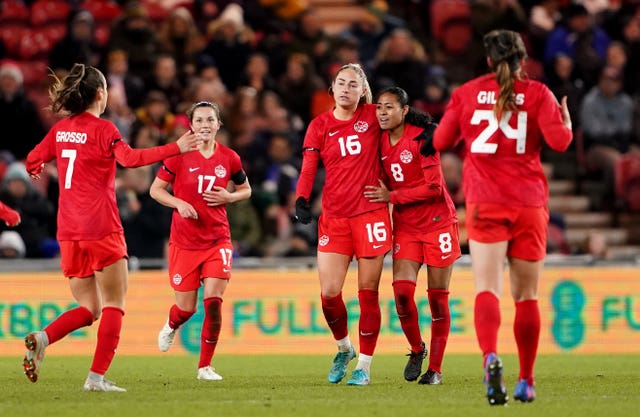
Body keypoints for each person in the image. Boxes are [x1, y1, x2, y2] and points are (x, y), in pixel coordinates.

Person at [22, 63, 200, 392]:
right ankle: (95, 379)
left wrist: (35, 168)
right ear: (101, 94)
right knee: (115, 304)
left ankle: (43, 337)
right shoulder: (104, 130)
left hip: (69, 232)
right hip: (101, 227)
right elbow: (130, 160)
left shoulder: (61, 131)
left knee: (90, 308)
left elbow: (34, 157)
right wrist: (176, 148)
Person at [433, 30, 573, 405]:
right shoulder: (539, 93)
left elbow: (440, 141)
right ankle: (526, 380)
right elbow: (559, 143)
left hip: (485, 201)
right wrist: (568, 124)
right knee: (526, 296)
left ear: (489, 61)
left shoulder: (465, 93)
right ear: (523, 60)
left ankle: (490, 357)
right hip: (528, 202)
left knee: (487, 289)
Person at [295, 63, 391, 386]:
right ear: (331, 88)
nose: (346, 89)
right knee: (329, 292)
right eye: (341, 83)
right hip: (334, 218)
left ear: (363, 90)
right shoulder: (319, 125)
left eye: (353, 84)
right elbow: (309, 167)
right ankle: (344, 348)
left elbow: (405, 125)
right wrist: (302, 199)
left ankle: (364, 365)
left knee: (368, 292)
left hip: (370, 215)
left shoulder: (374, 116)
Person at [364, 86, 459, 385]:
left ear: (404, 111)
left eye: (389, 107)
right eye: (379, 106)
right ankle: (418, 349)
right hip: (406, 227)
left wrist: (392, 196)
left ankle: (436, 370)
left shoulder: (423, 138)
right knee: (402, 295)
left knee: (437, 302)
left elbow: (433, 188)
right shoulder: (377, 140)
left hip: (438, 223)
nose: (382, 112)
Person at [150, 101, 251, 381]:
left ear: (219, 124)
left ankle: (205, 367)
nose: (205, 125)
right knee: (186, 309)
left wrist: (230, 197)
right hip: (185, 242)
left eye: (210, 120)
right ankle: (171, 325)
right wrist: (178, 203)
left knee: (213, 302)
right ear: (191, 125)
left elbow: (246, 189)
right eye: (199, 120)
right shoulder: (179, 155)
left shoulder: (230, 158)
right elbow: (155, 190)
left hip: (218, 240)